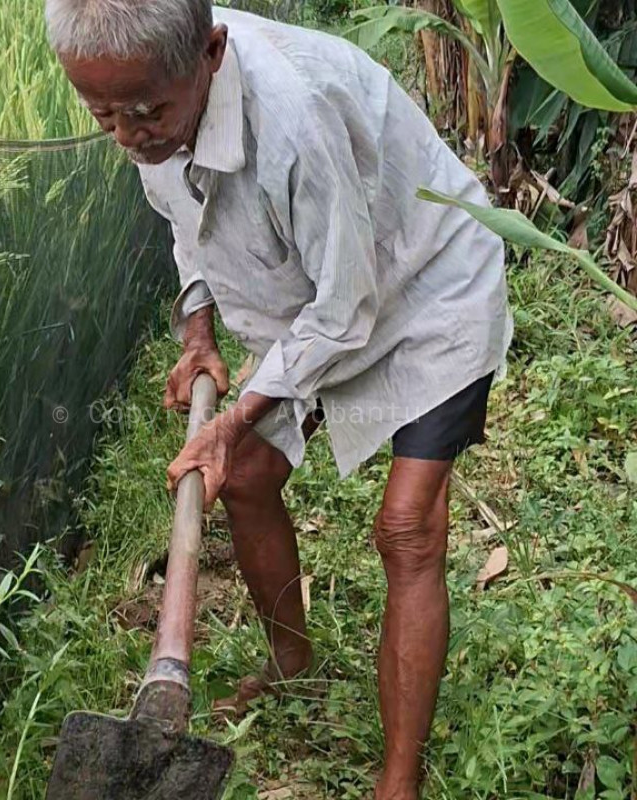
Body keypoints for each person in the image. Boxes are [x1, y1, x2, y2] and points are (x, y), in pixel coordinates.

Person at [46, 1, 512, 796]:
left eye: (144, 114)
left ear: (212, 53)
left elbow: (346, 308)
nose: (126, 135)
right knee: (248, 478)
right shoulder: (145, 86)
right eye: (103, 116)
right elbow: (186, 217)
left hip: (427, 280)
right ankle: (292, 661)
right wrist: (198, 333)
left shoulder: (295, 118)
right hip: (316, 287)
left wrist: (231, 420)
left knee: (407, 529)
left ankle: (398, 782)